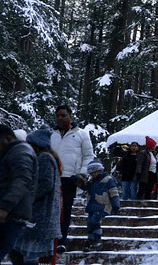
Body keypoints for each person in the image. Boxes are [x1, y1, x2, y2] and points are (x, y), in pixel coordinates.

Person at [10, 129, 61, 265]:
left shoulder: (44, 158)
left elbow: (45, 184)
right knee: (23, 251)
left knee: (29, 253)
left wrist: (27, 198)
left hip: (39, 214)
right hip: (39, 214)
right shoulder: (45, 157)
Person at [50, 105, 94, 253]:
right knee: (51, 209)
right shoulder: (51, 134)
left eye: (63, 115)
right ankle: (50, 239)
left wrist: (81, 174)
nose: (60, 118)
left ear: (70, 116)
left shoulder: (82, 134)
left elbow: (88, 156)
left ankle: (62, 240)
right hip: (52, 178)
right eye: (57, 116)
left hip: (70, 179)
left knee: (66, 210)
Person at [0, 124, 38, 261]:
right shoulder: (11, 152)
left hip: (11, 215)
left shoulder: (20, 152)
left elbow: (22, 180)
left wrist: (5, 206)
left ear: (7, 138)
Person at [79, 160, 120, 251]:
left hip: (102, 206)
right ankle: (91, 240)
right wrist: (79, 182)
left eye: (93, 173)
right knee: (90, 223)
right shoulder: (92, 182)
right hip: (91, 206)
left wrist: (115, 206)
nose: (92, 175)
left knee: (95, 221)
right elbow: (86, 188)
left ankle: (97, 239)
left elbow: (114, 193)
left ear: (99, 170)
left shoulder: (108, 180)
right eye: (90, 173)